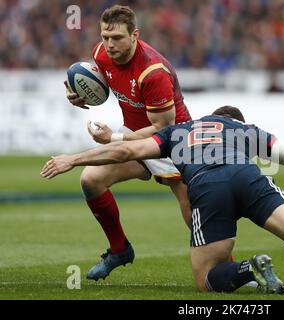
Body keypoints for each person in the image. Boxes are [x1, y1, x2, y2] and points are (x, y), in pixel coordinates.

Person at [41, 106, 284, 296]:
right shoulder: (243, 130)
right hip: (249, 179)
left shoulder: (178, 131)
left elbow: (126, 152)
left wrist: (72, 159)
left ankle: (249, 269)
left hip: (208, 191)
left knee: (206, 278)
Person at [64, 5, 193, 281]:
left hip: (174, 140)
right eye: (105, 37)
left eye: (117, 38)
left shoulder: (153, 72)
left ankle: (222, 264)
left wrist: (114, 138)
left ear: (135, 35)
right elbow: (104, 82)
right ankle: (119, 249)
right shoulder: (101, 53)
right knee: (91, 180)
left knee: (191, 206)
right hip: (134, 134)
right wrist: (79, 94)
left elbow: (162, 128)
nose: (109, 45)